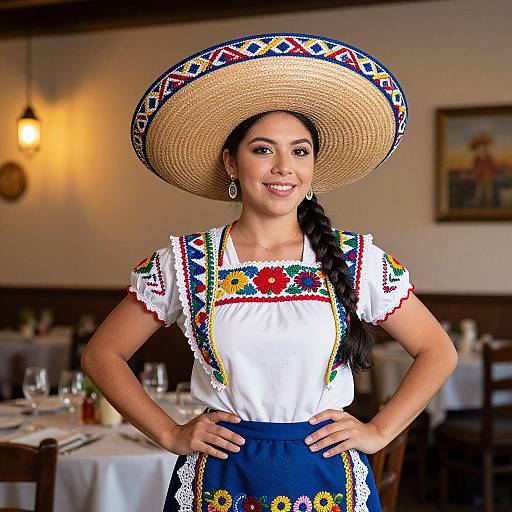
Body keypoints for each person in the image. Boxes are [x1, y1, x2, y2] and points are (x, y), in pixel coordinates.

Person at [82, 33, 458, 511]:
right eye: (263, 150)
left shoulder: (356, 258)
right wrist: (170, 433)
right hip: (219, 476)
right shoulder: (188, 261)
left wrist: (379, 429)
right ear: (231, 163)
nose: (284, 167)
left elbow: (437, 350)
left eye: (300, 151)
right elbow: (102, 355)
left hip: (326, 473)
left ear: (314, 166)